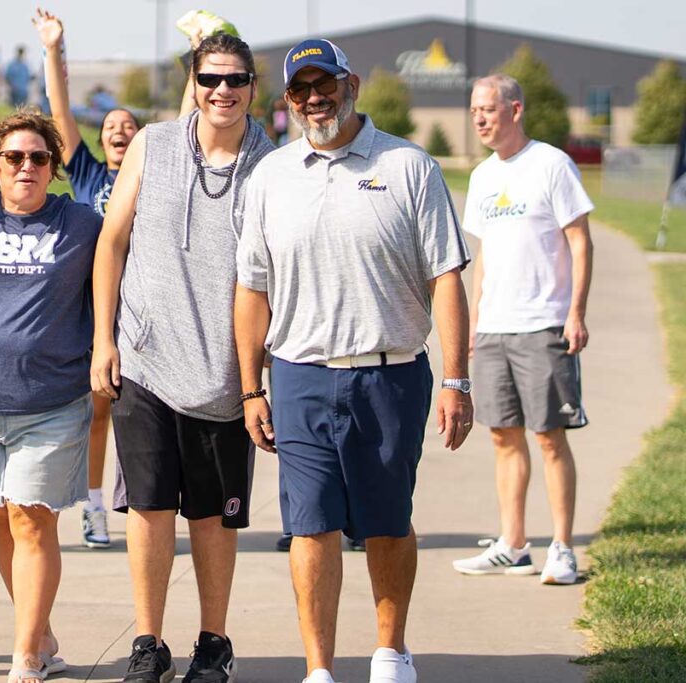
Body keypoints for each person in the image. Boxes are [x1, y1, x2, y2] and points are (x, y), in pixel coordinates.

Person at [234, 39, 473, 683]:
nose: (316, 99)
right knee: (310, 527)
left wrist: (456, 378)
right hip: (300, 375)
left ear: (352, 83)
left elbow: (446, 277)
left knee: (388, 522)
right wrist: (251, 388)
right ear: (287, 101)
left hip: (391, 374)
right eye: (301, 90)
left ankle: (391, 653)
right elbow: (251, 289)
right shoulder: (270, 177)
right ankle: (319, 669)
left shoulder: (408, 165)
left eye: (326, 84)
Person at [92, 33, 274, 683]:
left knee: (212, 517)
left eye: (235, 80)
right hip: (144, 359)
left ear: (254, 87)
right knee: (148, 508)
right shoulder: (153, 145)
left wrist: (259, 379)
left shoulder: (271, 165)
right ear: (192, 84)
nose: (221, 91)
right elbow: (111, 242)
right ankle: (148, 643)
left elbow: (279, 276)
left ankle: (212, 643)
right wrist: (104, 339)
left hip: (225, 375)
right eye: (210, 79)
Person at [0, 110, 102, 683]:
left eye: (38, 157)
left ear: (53, 166)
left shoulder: (80, 224)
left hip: (51, 402)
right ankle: (41, 632)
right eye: (14, 157)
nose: (26, 166)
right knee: (3, 524)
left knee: (32, 522)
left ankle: (25, 656)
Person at [452, 74, 594, 586]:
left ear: (516, 109)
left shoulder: (551, 164)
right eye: (473, 112)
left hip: (543, 324)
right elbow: (484, 254)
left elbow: (579, 240)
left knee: (549, 437)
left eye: (488, 109)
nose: (480, 119)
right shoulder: (484, 177)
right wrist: (472, 321)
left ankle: (562, 547)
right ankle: (513, 544)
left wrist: (575, 312)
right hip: (494, 328)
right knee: (502, 436)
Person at [34, 7, 147, 548]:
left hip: (143, 309)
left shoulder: (154, 171)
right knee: (95, 414)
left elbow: (193, 110)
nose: (120, 131)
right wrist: (55, 50)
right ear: (101, 142)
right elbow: (59, 111)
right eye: (111, 127)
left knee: (138, 418)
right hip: (90, 308)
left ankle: (147, 506)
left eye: (129, 126)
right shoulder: (85, 172)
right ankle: (94, 507)